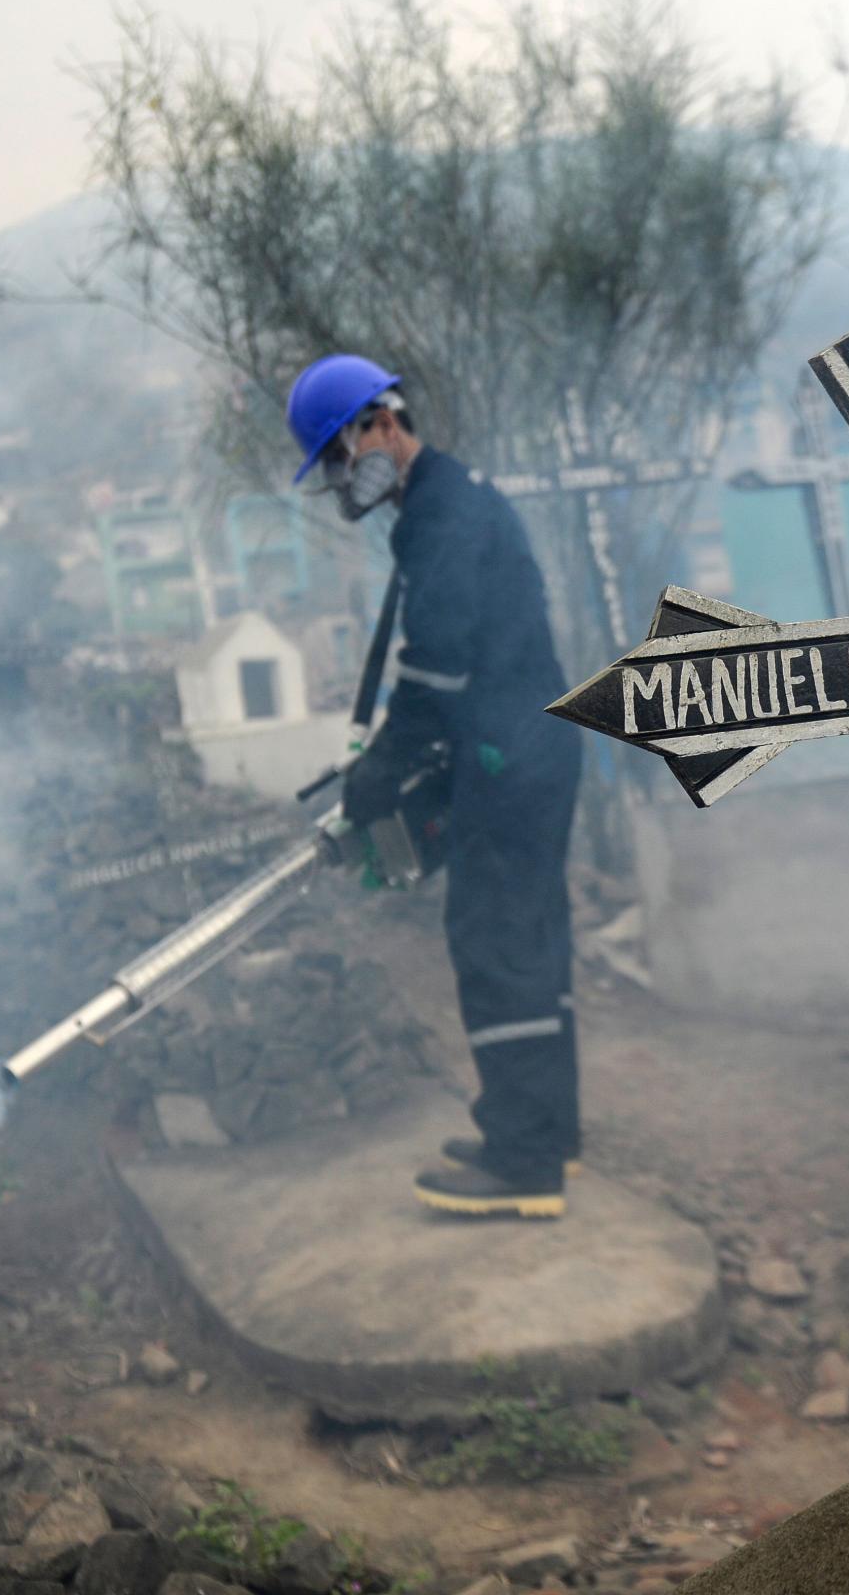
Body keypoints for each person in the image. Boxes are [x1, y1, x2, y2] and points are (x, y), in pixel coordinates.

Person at [286, 353, 584, 1220]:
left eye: (341, 457)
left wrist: (383, 764)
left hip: (507, 756)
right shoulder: (449, 500)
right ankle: (544, 1135)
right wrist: (392, 757)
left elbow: (438, 667)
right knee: (530, 945)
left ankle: (522, 1162)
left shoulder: (441, 513)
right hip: (527, 748)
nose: (343, 481)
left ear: (382, 423)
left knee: (496, 948)